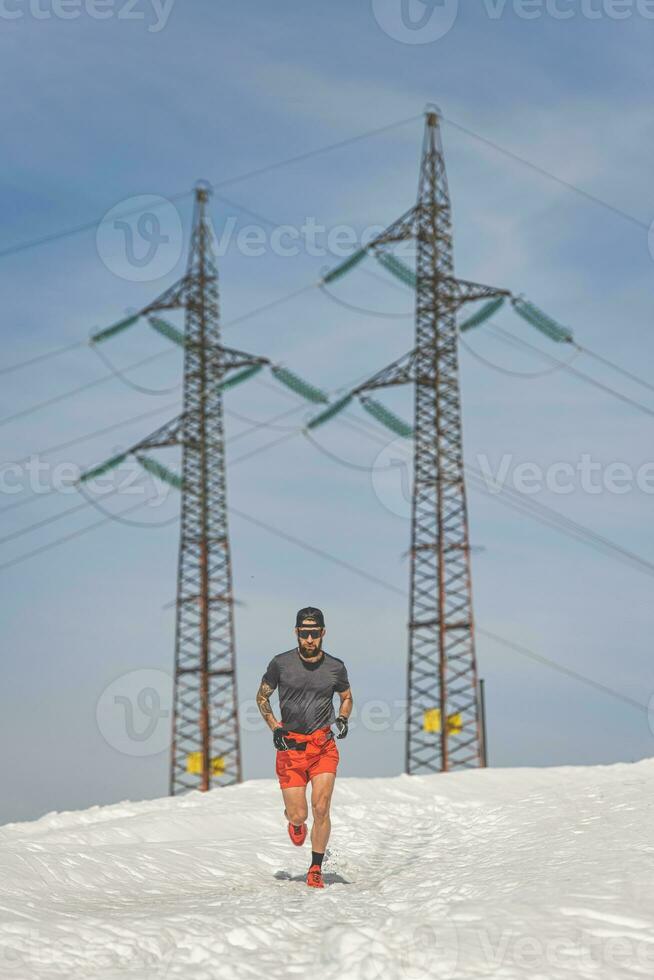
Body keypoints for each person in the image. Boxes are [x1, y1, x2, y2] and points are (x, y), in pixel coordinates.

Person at [256, 606, 353, 889]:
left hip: (323, 747)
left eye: (314, 633)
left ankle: (315, 868)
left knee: (321, 807)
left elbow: (346, 697)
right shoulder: (280, 664)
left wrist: (343, 717)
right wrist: (275, 727)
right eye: (304, 634)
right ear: (296, 634)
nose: (309, 639)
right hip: (291, 749)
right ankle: (295, 823)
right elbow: (262, 697)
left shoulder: (335, 667)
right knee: (300, 814)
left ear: (323, 633)